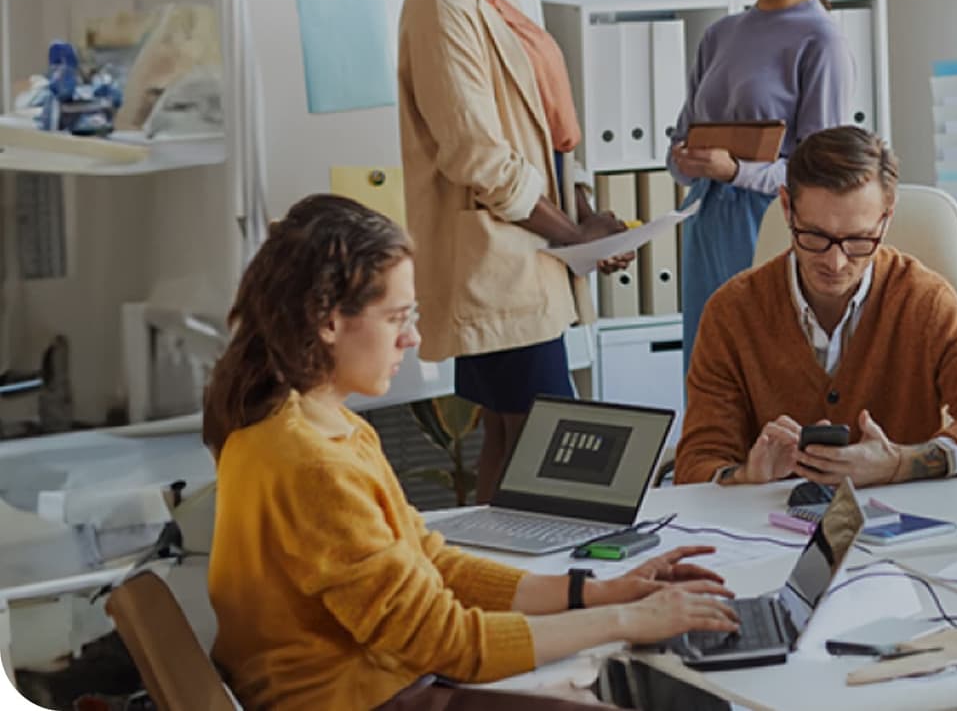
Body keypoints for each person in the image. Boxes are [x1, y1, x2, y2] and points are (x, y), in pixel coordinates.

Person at [203, 194, 737, 711]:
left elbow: (431, 563)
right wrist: (628, 620)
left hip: (372, 684)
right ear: (329, 322)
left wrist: (601, 593)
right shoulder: (313, 463)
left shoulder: (314, 424)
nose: (411, 338)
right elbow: (451, 643)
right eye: (397, 318)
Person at [390, 0, 633, 503]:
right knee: (547, 440)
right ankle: (534, 580)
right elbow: (477, 155)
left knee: (513, 433)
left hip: (520, 255)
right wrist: (571, 236)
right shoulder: (444, 3)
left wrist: (581, 217)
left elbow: (541, 125)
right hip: (498, 259)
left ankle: (508, 581)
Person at [674, 126, 957, 486]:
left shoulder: (924, 301)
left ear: (886, 219)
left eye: (859, 240)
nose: (835, 263)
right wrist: (744, 476)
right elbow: (697, 464)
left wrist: (902, 462)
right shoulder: (731, 312)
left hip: (903, 530)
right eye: (815, 236)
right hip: (770, 531)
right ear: (787, 208)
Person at [667, 0, 855, 375]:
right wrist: (684, 160)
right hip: (706, 225)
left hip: (770, 228)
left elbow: (822, 177)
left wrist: (737, 173)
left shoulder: (821, 43)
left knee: (765, 377)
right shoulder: (720, 35)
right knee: (707, 374)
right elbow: (681, 136)